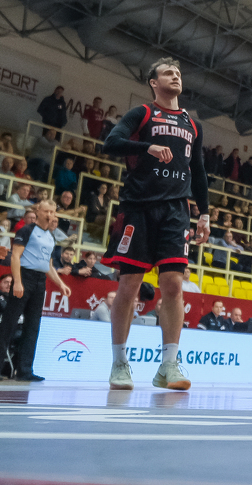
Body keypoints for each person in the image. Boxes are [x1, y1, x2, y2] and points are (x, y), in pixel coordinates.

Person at [101, 57, 211, 391]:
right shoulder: (142, 113)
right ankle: (119, 363)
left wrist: (205, 213)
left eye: (178, 73)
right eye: (167, 73)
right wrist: (147, 146)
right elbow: (111, 143)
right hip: (139, 207)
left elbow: (198, 172)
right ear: (153, 82)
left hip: (177, 210)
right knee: (129, 284)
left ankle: (169, 365)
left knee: (174, 285)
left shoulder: (193, 125)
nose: (175, 76)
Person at [0, 199, 72, 381]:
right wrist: (17, 282)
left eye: (52, 212)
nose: (49, 215)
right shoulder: (27, 230)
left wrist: (61, 284)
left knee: (33, 326)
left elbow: (48, 265)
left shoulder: (51, 236)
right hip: (25, 276)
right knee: (9, 324)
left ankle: (24, 370)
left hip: (40, 281)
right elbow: (15, 257)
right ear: (38, 211)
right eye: (46, 211)